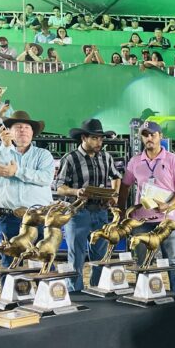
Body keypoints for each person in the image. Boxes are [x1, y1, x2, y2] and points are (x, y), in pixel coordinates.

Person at [118, 121, 175, 293]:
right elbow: (125, 185)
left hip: (168, 221)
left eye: (153, 134)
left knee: (173, 261)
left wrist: (169, 205)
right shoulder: (135, 162)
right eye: (145, 135)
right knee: (143, 262)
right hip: (141, 220)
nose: (149, 138)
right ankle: (144, 295)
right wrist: (121, 212)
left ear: (160, 136)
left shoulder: (173, 160)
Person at [54, 119, 120, 291]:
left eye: (101, 138)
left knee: (100, 255)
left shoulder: (106, 157)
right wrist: (76, 192)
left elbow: (116, 176)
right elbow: (59, 187)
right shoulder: (70, 159)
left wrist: (114, 196)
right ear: (83, 138)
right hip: (78, 213)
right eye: (95, 138)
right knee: (76, 256)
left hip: (100, 212)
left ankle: (97, 290)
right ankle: (75, 293)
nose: (99, 142)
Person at [0, 111, 53, 271]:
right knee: (11, 265)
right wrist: (4, 146)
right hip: (10, 217)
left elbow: (46, 178)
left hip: (38, 217)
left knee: (44, 262)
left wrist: (17, 171)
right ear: (8, 132)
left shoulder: (43, 155)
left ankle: (45, 296)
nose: (23, 130)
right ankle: (11, 296)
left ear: (33, 132)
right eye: (18, 127)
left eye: (27, 127)